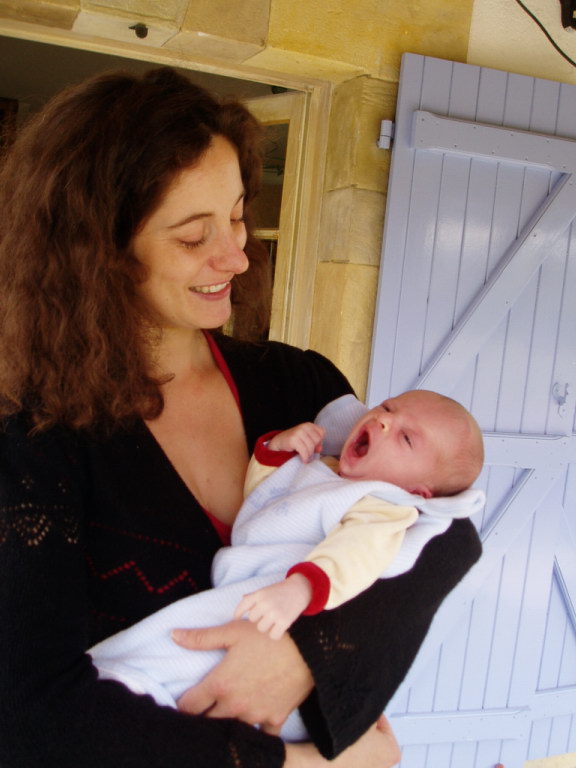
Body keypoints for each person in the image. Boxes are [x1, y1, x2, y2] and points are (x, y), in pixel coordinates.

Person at [0, 66, 481, 768]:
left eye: (235, 215)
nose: (237, 256)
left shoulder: (298, 385)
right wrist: (302, 766)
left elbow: (446, 533)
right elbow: (33, 713)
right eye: (194, 237)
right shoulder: (33, 436)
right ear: (97, 254)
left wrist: (300, 655)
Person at [90, 389, 484, 742]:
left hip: (280, 603)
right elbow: (264, 497)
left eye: (407, 438)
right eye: (388, 407)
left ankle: (124, 682)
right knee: (185, 643)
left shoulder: (382, 505)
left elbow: (357, 555)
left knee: (179, 643)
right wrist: (278, 449)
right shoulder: (323, 467)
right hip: (248, 588)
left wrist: (302, 589)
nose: (384, 421)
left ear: (418, 492)